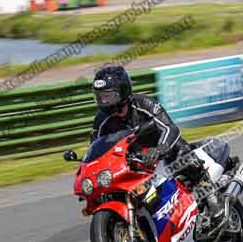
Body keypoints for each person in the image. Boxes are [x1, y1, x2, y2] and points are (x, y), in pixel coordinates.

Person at [90, 65, 223, 230]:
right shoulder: (101, 121)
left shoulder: (143, 103)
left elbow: (170, 128)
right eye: (99, 96)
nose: (102, 101)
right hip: (135, 163)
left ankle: (211, 196)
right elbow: (96, 149)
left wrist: (160, 149)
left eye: (107, 96)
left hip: (164, 152)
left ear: (122, 92)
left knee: (183, 155)